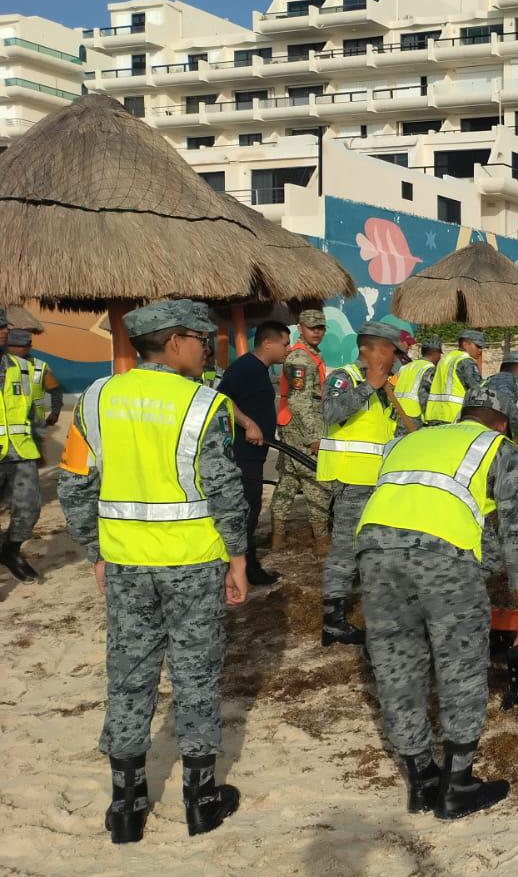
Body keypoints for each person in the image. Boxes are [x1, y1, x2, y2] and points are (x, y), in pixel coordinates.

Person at [57, 300, 249, 844]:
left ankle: (126, 806)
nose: (206, 347)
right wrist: (237, 558)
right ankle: (201, 800)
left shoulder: (96, 399)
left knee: (128, 675)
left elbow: (75, 484)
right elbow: (225, 491)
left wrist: (97, 549)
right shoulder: (203, 404)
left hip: (124, 563)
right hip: (192, 564)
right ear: (174, 342)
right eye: (201, 338)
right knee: (195, 677)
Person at [354, 381, 518, 819]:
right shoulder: (498, 448)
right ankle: (457, 786)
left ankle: (421, 781)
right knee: (460, 667)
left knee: (398, 667)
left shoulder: (411, 439)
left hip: (375, 554)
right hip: (442, 558)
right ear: (503, 422)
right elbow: (517, 536)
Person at [316, 321, 403, 647]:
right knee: (345, 550)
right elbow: (331, 411)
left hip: (378, 482)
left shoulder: (384, 388)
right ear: (377, 349)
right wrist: (369, 385)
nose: (396, 359)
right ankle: (333, 621)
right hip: (352, 480)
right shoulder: (345, 378)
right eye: (393, 352)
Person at [217, 320, 292, 587]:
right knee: (246, 510)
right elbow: (222, 400)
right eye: (284, 343)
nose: (288, 349)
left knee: (251, 507)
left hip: (255, 454)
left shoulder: (260, 369)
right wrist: (248, 424)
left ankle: (243, 563)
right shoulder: (245, 367)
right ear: (268, 342)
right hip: (243, 453)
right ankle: (243, 566)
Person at [272, 308, 331, 553]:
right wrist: (315, 435)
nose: (317, 332)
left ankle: (277, 538)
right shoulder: (300, 359)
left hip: (292, 424)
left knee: (288, 480)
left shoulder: (309, 355)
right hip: (301, 425)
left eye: (321, 327)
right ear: (300, 328)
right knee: (316, 481)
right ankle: (322, 543)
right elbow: (299, 401)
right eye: (311, 327)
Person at [0, 312, 43, 583]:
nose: (5, 329)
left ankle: (10, 551)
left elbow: (35, 406)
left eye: (4, 324)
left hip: (20, 451)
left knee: (29, 510)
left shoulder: (23, 367)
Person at [423, 329, 486, 424]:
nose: (480, 350)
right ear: (465, 344)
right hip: (454, 416)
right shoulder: (466, 361)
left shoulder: (445, 359)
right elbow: (478, 390)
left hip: (434, 415)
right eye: (478, 346)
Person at [7, 328, 64, 429]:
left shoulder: (40, 366)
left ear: (29, 347)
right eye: (12, 346)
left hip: (34, 425)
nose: (15, 349)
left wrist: (55, 413)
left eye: (20, 346)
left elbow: (56, 391)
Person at [394, 336, 442, 423]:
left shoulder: (406, 367)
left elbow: (390, 386)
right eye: (440, 354)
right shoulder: (429, 368)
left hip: (395, 413)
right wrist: (432, 420)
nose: (440, 358)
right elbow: (424, 396)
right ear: (435, 353)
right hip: (412, 416)